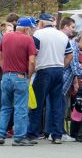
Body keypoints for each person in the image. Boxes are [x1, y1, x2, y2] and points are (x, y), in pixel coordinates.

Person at [26, 13, 72, 144]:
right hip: (58, 70)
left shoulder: (38, 35)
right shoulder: (62, 35)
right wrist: (62, 66)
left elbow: (33, 55)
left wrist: (31, 70)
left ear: (41, 23)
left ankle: (32, 133)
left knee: (37, 103)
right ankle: (57, 134)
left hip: (44, 70)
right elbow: (70, 55)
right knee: (57, 103)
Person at [0, 17, 37, 146]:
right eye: (32, 28)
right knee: (20, 108)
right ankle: (19, 137)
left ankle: (0, 134)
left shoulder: (6, 37)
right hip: (20, 76)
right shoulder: (28, 39)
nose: (33, 30)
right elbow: (32, 61)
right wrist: (29, 75)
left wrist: (5, 68)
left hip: (6, 76)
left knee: (5, 107)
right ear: (27, 28)